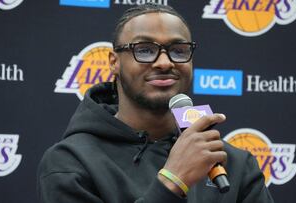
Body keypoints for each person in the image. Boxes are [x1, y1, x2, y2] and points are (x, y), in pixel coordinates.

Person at [38, 3, 274, 203]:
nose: (164, 62)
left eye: (178, 50)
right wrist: (171, 181)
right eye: (145, 50)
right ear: (113, 62)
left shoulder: (234, 164)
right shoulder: (70, 162)